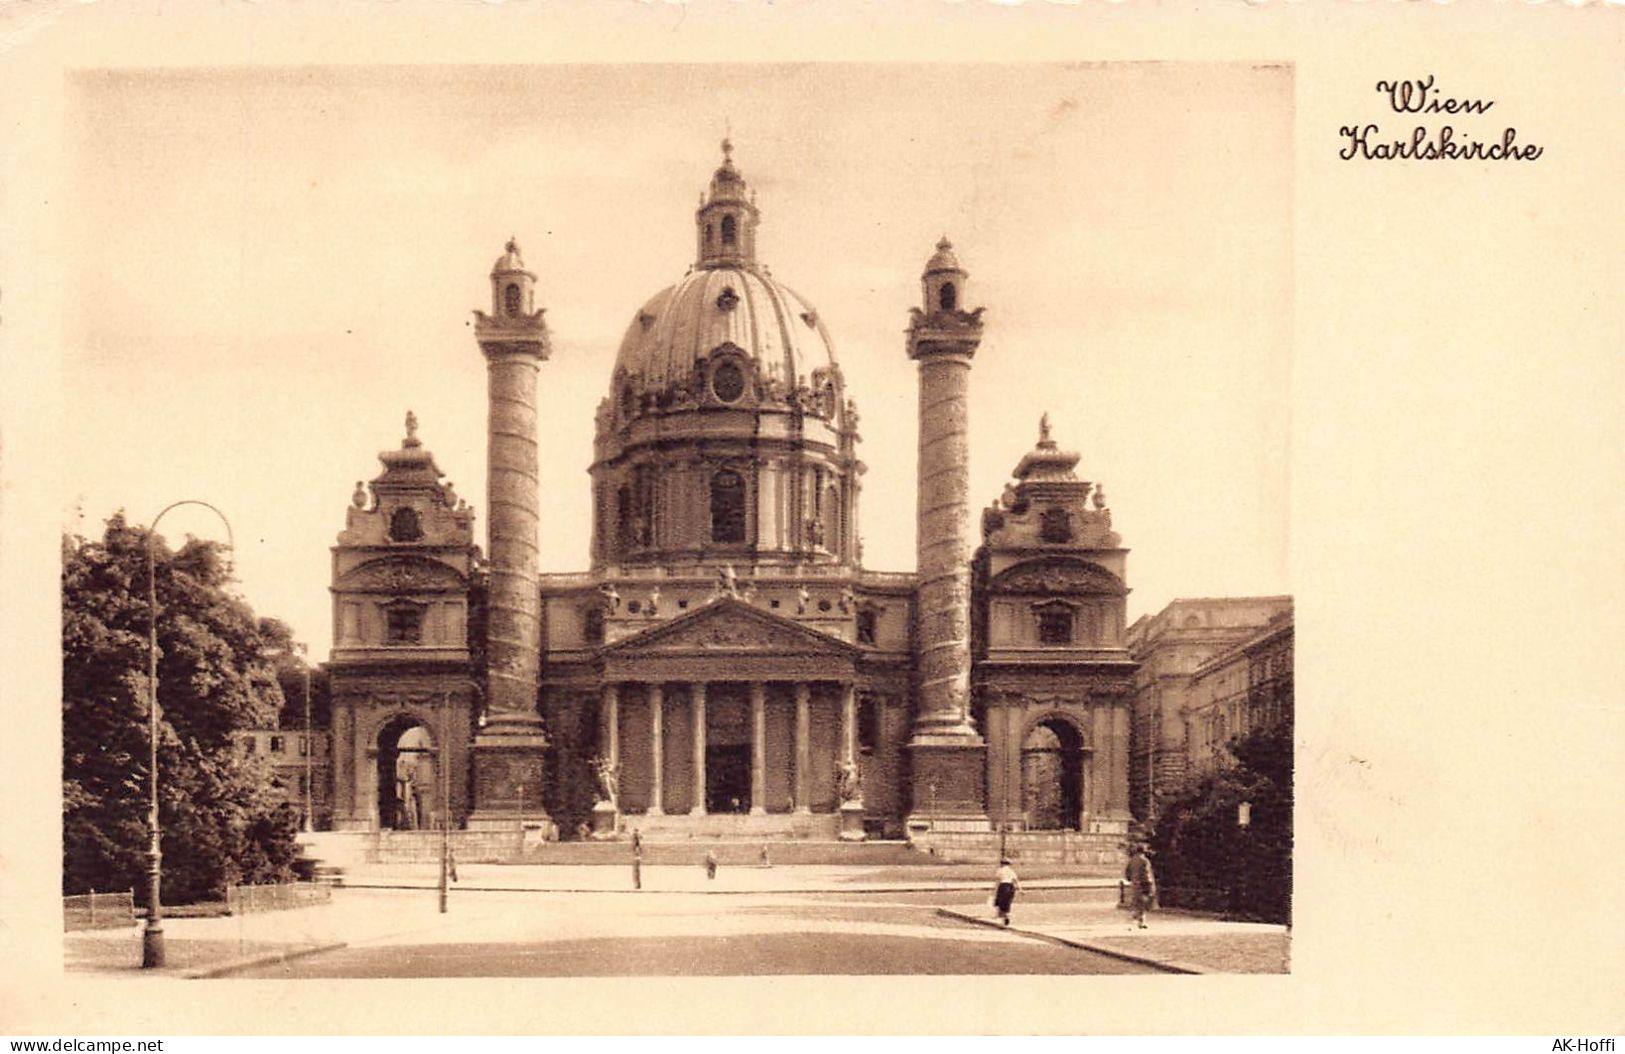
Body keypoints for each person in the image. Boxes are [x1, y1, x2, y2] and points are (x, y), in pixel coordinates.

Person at [1126, 843, 1157, 929]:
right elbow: (1146, 873)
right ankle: (1139, 921)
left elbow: (1127, 872)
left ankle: (1137, 920)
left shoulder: (1132, 860)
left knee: (1136, 902)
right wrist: (1150, 884)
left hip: (1134, 884)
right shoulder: (1144, 861)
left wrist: (1130, 879)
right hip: (1143, 885)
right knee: (1143, 903)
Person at [993, 857, 1018, 927]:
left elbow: (997, 880)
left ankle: (1003, 918)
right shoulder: (1011, 871)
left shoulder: (1000, 870)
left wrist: (994, 889)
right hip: (1010, 886)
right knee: (1007, 902)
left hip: (1003, 886)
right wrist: (1020, 889)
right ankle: (1006, 915)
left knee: (1000, 902)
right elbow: (1015, 880)